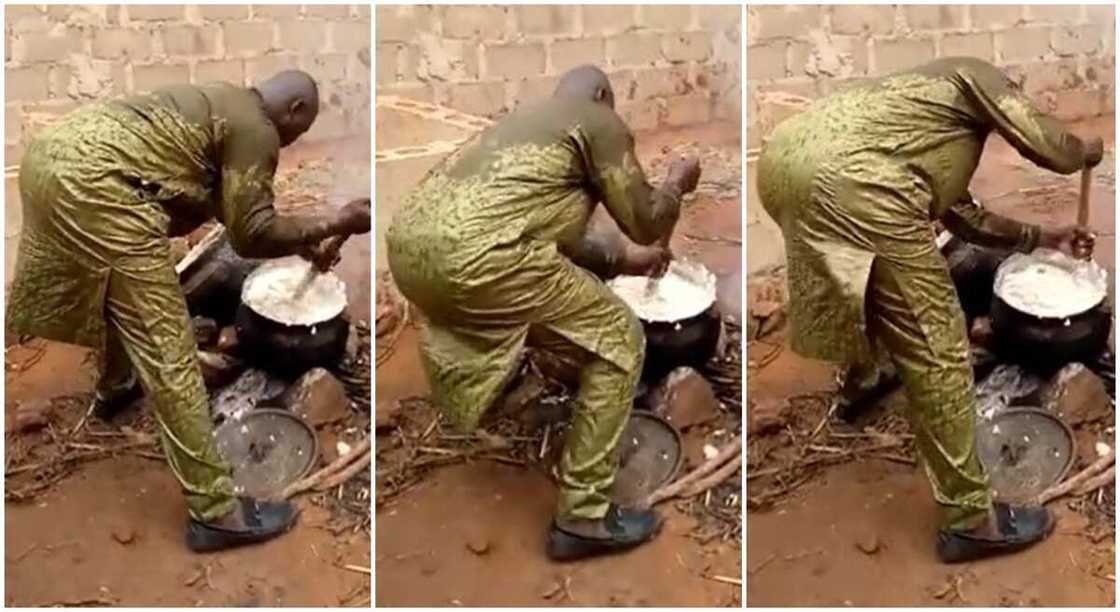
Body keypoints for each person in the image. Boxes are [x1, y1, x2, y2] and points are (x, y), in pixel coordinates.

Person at [6, 70, 372, 552]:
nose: (291, 142)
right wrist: (337, 220)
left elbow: (230, 210)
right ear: (295, 111)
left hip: (51, 159)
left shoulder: (222, 103)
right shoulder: (258, 129)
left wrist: (310, 248)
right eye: (298, 132)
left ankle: (116, 389)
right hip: (98, 189)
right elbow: (251, 234)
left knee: (115, 290)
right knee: (169, 346)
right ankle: (215, 512)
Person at [758, 56, 1103, 563]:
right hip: (854, 184)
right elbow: (1051, 147)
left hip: (784, 164)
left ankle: (864, 378)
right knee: (938, 341)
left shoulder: (914, 113)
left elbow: (963, 217)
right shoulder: (977, 74)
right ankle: (968, 519)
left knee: (860, 280)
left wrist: (1041, 238)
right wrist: (1085, 153)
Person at [386, 65, 701, 561]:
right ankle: (584, 515)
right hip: (483, 260)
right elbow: (646, 221)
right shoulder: (596, 121)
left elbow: (554, 228)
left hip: (409, 255)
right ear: (602, 97)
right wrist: (677, 184)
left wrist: (624, 261)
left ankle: (514, 395)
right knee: (619, 339)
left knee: (543, 311)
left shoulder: (520, 128)